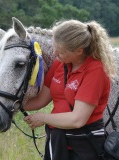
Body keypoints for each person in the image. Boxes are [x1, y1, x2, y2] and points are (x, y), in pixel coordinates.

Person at [23, 19, 117, 160]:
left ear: (79, 51)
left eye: (60, 52)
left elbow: (77, 119)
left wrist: (43, 118)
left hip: (84, 145)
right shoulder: (60, 63)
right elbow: (41, 100)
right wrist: (8, 101)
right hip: (58, 141)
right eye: (55, 49)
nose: (55, 54)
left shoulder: (96, 71)